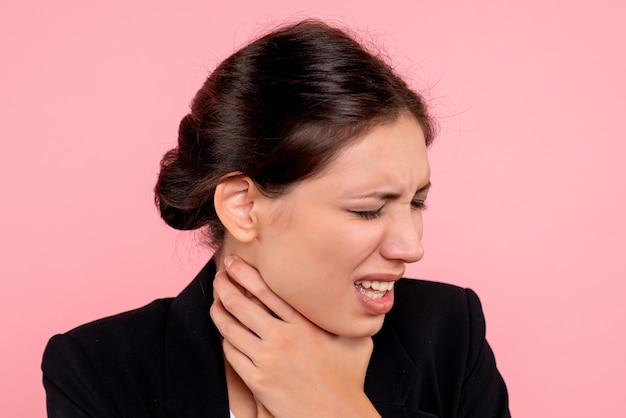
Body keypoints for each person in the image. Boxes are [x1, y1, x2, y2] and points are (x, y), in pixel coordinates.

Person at [42, 20, 510, 418]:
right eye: (367, 209)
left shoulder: (451, 333)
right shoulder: (98, 368)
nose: (411, 246)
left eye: (416, 203)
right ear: (243, 206)